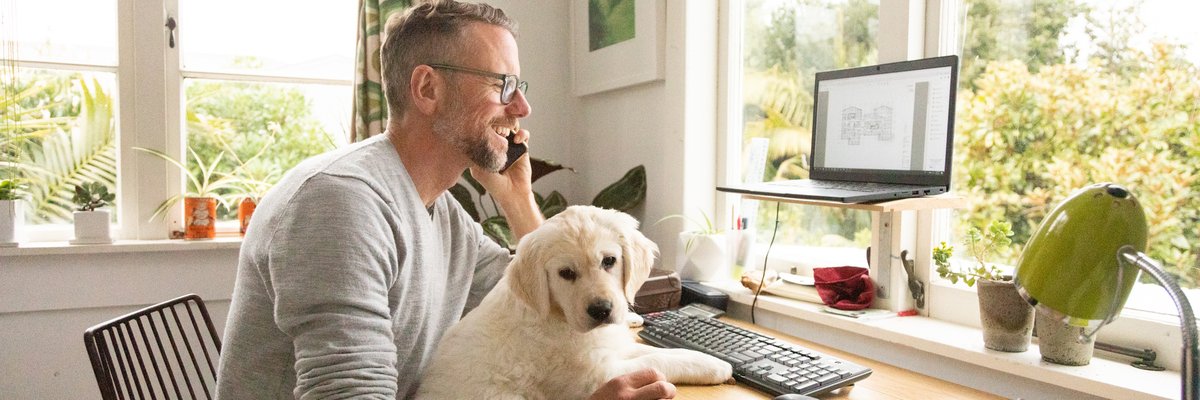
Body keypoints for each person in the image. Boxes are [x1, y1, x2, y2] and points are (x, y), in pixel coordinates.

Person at [214, 1, 676, 399]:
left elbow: (536, 297)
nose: (521, 108)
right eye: (503, 85)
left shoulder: (442, 212)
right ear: (428, 89)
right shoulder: (340, 203)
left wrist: (517, 199)